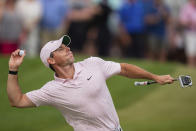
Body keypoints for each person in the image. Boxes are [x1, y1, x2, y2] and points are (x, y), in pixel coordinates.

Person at [7, 35, 174, 131]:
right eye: (60, 49)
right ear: (51, 60)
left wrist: (155, 77)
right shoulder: (52, 90)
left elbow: (123, 68)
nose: (67, 49)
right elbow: (17, 101)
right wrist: (13, 70)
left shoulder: (93, 63)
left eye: (66, 46)